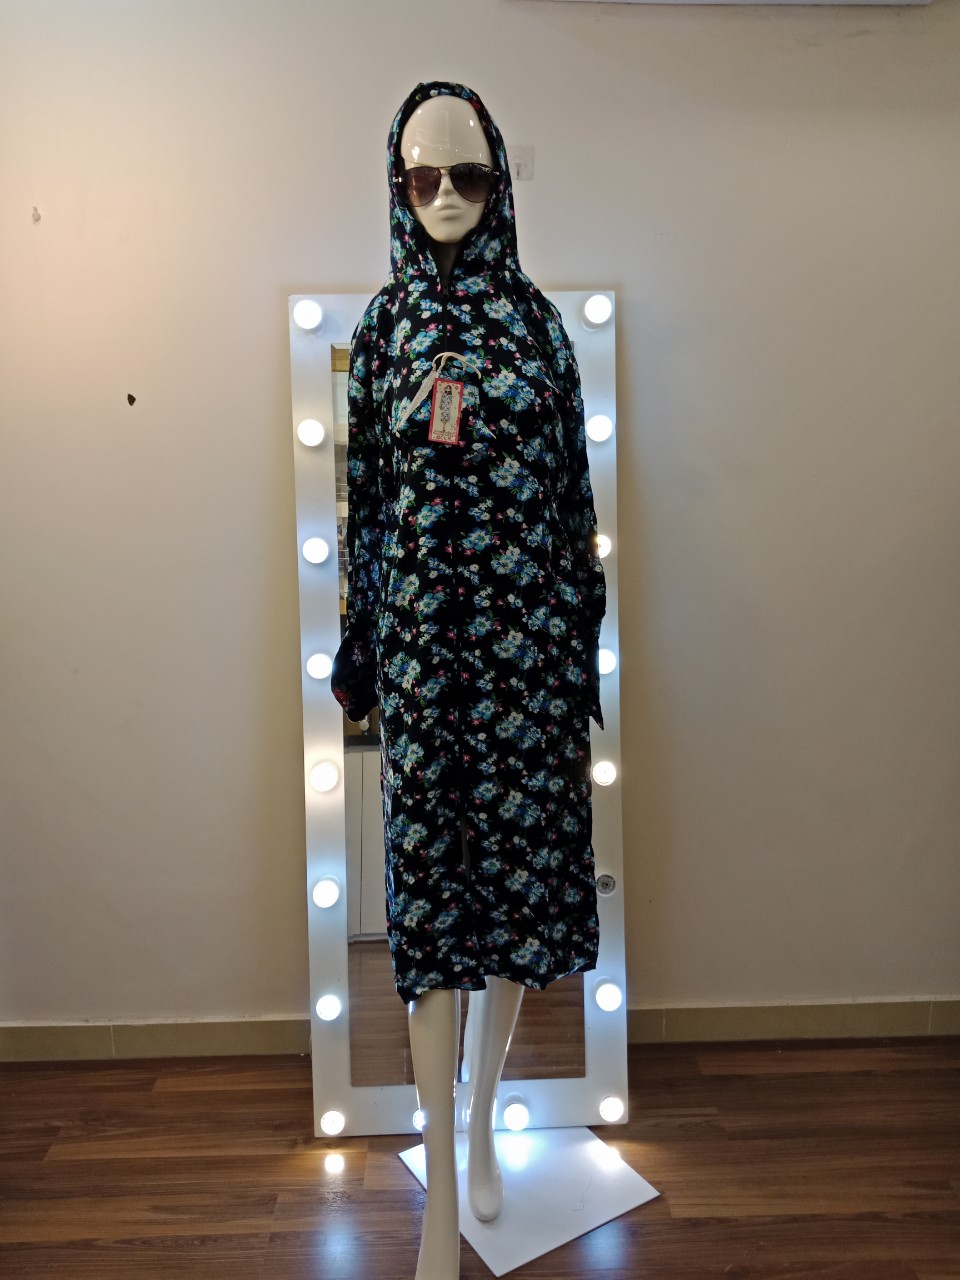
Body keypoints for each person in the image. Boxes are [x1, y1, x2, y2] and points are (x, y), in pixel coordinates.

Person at [332, 81, 606, 1280]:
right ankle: (440, 1187)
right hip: (425, 662)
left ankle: (486, 1122)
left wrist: (578, 638)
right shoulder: (386, 330)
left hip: (526, 660)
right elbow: (366, 511)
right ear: (396, 186)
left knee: (511, 903)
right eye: (421, 176)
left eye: (469, 174)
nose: (445, 196)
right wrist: (360, 645)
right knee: (435, 912)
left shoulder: (540, 329)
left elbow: (572, 499)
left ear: (499, 181)